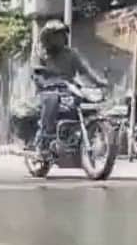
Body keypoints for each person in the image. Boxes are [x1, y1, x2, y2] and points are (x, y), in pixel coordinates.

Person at [33, 21, 108, 151]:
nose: (60, 38)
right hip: (48, 90)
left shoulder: (71, 54)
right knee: (52, 99)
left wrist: (99, 82)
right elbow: (36, 74)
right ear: (49, 38)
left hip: (69, 89)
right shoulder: (41, 53)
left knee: (88, 102)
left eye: (62, 35)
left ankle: (82, 133)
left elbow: (85, 71)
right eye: (56, 35)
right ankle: (46, 136)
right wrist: (44, 82)